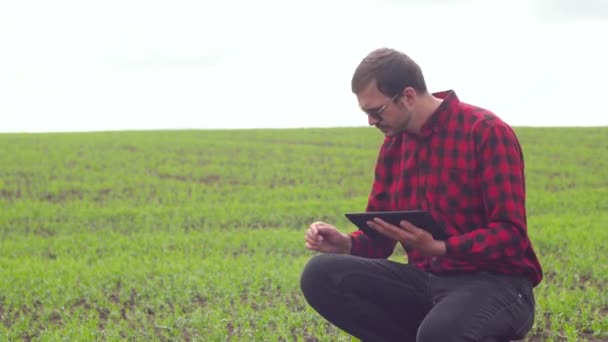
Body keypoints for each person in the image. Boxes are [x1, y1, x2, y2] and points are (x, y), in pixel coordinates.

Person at [299, 47, 543, 342]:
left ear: (408, 96)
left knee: (439, 334)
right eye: (366, 113)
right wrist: (347, 243)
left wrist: (440, 247)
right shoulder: (394, 146)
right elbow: (382, 238)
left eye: (376, 111)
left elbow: (511, 236)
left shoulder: (485, 131)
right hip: (428, 282)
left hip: (498, 284)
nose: (371, 122)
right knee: (321, 275)